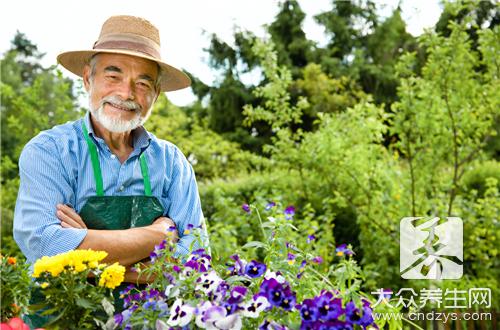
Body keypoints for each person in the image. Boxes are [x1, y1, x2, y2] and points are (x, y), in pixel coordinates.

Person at [13, 15, 209, 280]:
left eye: (142, 83)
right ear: (87, 78)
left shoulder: (173, 163)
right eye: (113, 75)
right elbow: (46, 247)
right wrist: (160, 236)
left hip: (147, 319)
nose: (126, 93)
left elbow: (196, 260)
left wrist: (83, 248)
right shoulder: (50, 152)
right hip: (65, 317)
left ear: (156, 93)